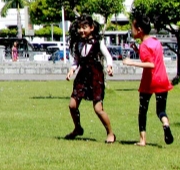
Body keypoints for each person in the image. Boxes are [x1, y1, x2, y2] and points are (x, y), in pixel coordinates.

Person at [123, 15, 174, 147]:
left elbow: (150, 64)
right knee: (160, 110)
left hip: (150, 81)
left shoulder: (144, 45)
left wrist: (131, 63)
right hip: (162, 80)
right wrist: (138, 50)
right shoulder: (155, 41)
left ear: (139, 30)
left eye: (132, 28)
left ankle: (142, 140)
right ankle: (165, 123)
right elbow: (154, 57)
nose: (131, 30)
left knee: (143, 110)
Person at [63, 15, 116, 143]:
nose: (82, 30)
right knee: (72, 105)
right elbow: (76, 60)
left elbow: (108, 56)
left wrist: (109, 67)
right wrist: (71, 70)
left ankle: (110, 133)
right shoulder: (77, 44)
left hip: (95, 77)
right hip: (82, 77)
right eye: (80, 28)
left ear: (92, 28)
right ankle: (77, 128)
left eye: (84, 27)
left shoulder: (98, 42)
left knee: (98, 109)